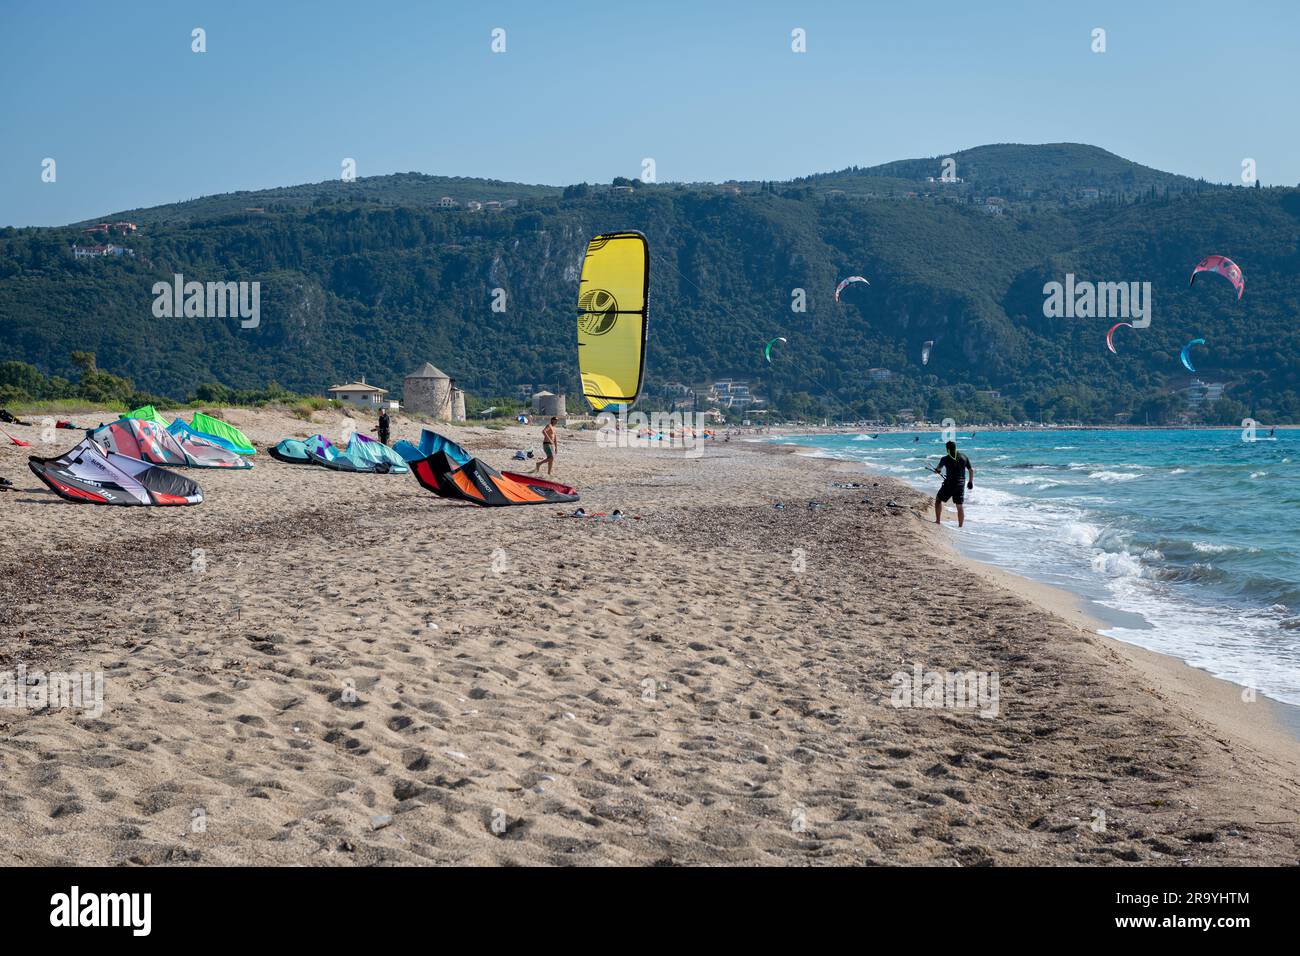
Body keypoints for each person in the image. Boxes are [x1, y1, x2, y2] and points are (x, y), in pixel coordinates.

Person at [932, 440, 974, 527]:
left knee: (938, 500)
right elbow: (971, 470)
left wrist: (936, 471)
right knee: (959, 505)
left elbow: (938, 470)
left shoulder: (944, 459)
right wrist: (970, 482)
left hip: (950, 484)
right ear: (955, 448)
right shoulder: (964, 457)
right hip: (961, 484)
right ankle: (960, 526)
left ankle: (938, 521)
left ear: (947, 449)